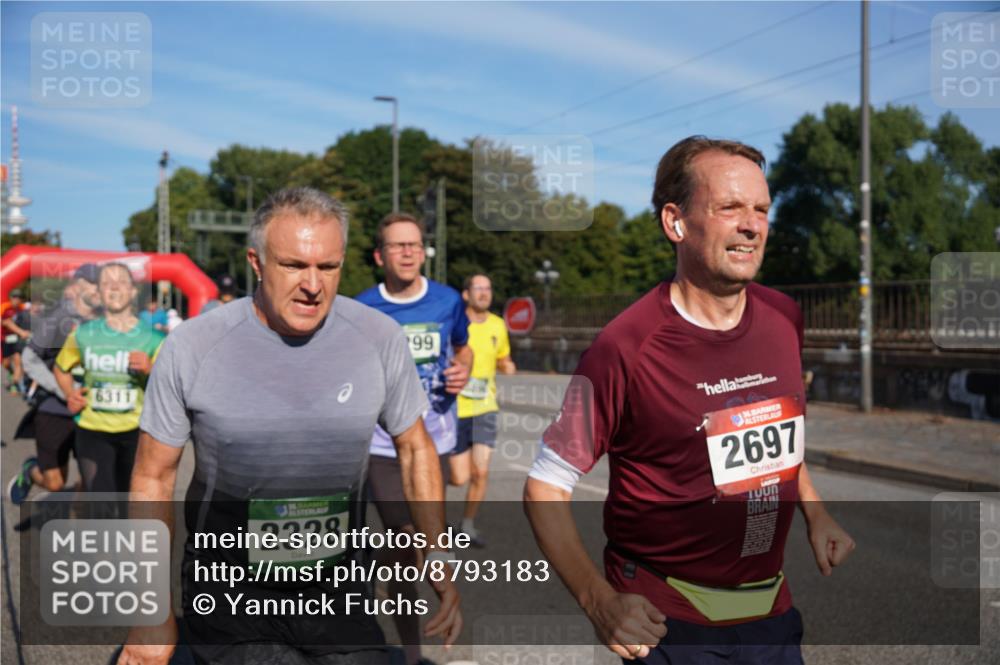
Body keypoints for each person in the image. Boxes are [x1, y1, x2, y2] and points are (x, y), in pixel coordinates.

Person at [524, 136, 855, 664]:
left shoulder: (784, 317)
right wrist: (599, 602)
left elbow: (775, 434)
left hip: (771, 610)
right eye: (730, 208)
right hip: (668, 623)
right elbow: (545, 485)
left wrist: (817, 514)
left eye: (762, 209)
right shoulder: (625, 347)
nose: (752, 225)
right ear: (675, 222)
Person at [119, 188, 461, 665]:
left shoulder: (378, 337)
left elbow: (415, 447)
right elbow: (153, 476)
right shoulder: (195, 346)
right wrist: (150, 612)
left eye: (328, 267)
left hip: (338, 590)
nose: (313, 285)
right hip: (231, 592)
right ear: (256, 262)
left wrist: (437, 551)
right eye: (294, 265)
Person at [355, 212, 472, 665]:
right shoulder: (363, 308)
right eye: (397, 245)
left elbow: (462, 347)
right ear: (379, 255)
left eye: (415, 244)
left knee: (412, 548)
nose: (408, 252)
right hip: (383, 446)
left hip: (435, 440)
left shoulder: (447, 301)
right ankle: (412, 652)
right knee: (411, 537)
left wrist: (464, 368)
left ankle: (407, 598)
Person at [54, 263, 165, 494]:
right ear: (99, 293)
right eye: (106, 282)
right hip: (92, 429)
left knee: (129, 503)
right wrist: (70, 394)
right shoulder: (83, 334)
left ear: (134, 291)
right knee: (100, 501)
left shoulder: (155, 338)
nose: (114, 286)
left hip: (137, 431)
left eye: (122, 281)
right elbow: (61, 368)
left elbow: (172, 386)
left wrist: (151, 368)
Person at [7, 263, 102, 503]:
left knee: (92, 478)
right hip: (55, 407)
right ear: (78, 285)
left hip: (90, 411)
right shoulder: (58, 318)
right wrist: (65, 390)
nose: (99, 289)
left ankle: (80, 532)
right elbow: (30, 359)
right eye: (94, 283)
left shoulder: (105, 319)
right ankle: (30, 470)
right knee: (56, 483)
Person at [450, 273, 516, 547]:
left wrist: (507, 366)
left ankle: (466, 526)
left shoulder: (498, 325)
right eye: (478, 288)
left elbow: (503, 357)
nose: (484, 293)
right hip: (454, 408)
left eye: (488, 288)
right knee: (458, 476)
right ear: (466, 294)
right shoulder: (455, 322)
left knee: (481, 472)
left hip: (485, 408)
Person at [2, 289, 31, 393]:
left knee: (18, 361)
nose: (16, 299)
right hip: (4, 338)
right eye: (14, 297)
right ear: (11, 298)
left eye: (19, 297)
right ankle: (11, 373)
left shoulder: (22, 309)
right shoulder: (5, 308)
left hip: (17, 339)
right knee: (5, 363)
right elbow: (5, 322)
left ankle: (15, 384)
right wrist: (20, 331)